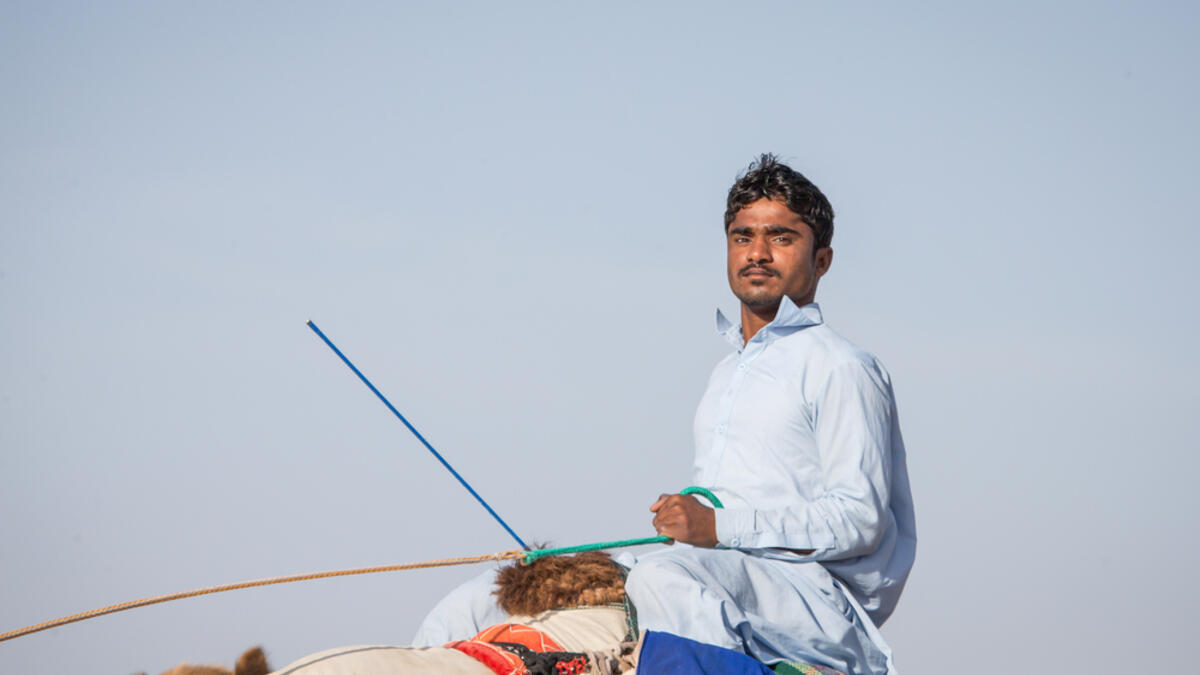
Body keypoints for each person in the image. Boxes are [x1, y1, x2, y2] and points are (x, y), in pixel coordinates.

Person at [413, 154, 916, 675]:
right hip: (713, 572)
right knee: (480, 600)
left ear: (823, 260)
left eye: (782, 238)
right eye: (743, 237)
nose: (758, 253)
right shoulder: (726, 373)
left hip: (811, 600)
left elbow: (860, 520)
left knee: (666, 577)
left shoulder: (842, 367)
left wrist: (717, 526)